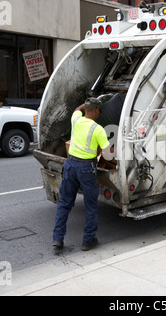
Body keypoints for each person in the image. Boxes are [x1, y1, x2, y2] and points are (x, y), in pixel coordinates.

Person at [52, 97, 111, 253]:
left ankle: (57, 240)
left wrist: (85, 105)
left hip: (70, 165)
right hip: (86, 168)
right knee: (90, 205)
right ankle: (88, 241)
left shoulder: (76, 120)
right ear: (97, 111)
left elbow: (77, 110)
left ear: (86, 108)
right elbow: (108, 154)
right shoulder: (98, 129)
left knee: (64, 203)